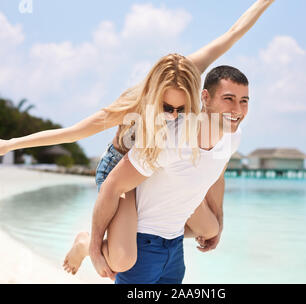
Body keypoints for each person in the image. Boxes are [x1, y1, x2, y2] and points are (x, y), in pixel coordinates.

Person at [0, 0, 291, 282]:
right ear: (155, 97)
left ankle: (128, 241)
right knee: (122, 258)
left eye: (183, 108)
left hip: (159, 169)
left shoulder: (190, 74)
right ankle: (88, 242)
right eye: (168, 109)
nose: (176, 116)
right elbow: (71, 133)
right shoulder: (130, 106)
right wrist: (11, 143)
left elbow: (232, 34)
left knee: (209, 228)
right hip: (121, 173)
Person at [90, 65, 250, 284]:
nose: (237, 109)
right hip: (142, 240)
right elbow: (114, 184)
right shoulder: (170, 138)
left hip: (174, 245)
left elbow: (218, 176)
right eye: (228, 99)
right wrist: (94, 247)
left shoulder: (233, 137)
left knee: (211, 228)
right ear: (206, 97)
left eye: (244, 101)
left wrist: (219, 223)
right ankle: (94, 244)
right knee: (122, 260)